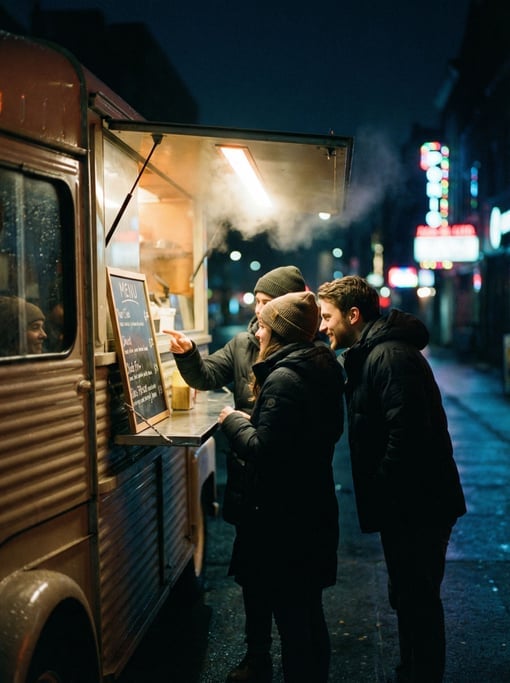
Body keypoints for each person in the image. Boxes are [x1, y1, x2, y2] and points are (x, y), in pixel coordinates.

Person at [317, 275, 467, 683]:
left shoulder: (390, 358)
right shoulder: (375, 354)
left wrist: (382, 486)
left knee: (418, 600)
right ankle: (411, 670)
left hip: (419, 504)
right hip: (408, 502)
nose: (322, 326)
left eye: (328, 317)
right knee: (408, 597)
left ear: (353, 314)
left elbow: (407, 437)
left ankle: (422, 674)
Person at [166, 265, 307, 683]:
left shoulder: (301, 353)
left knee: (290, 585)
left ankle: (299, 663)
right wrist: (187, 353)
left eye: (268, 304)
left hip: (285, 487)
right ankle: (257, 655)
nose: (259, 312)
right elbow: (207, 376)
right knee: (252, 577)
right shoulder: (245, 344)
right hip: (249, 481)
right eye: (258, 302)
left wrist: (238, 422)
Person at [218, 291, 344, 683]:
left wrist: (233, 421)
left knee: (293, 617)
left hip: (286, 519)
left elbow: (264, 450)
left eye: (266, 326)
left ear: (280, 334)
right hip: (311, 508)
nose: (258, 333)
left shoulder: (285, 377)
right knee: (307, 611)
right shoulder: (318, 367)